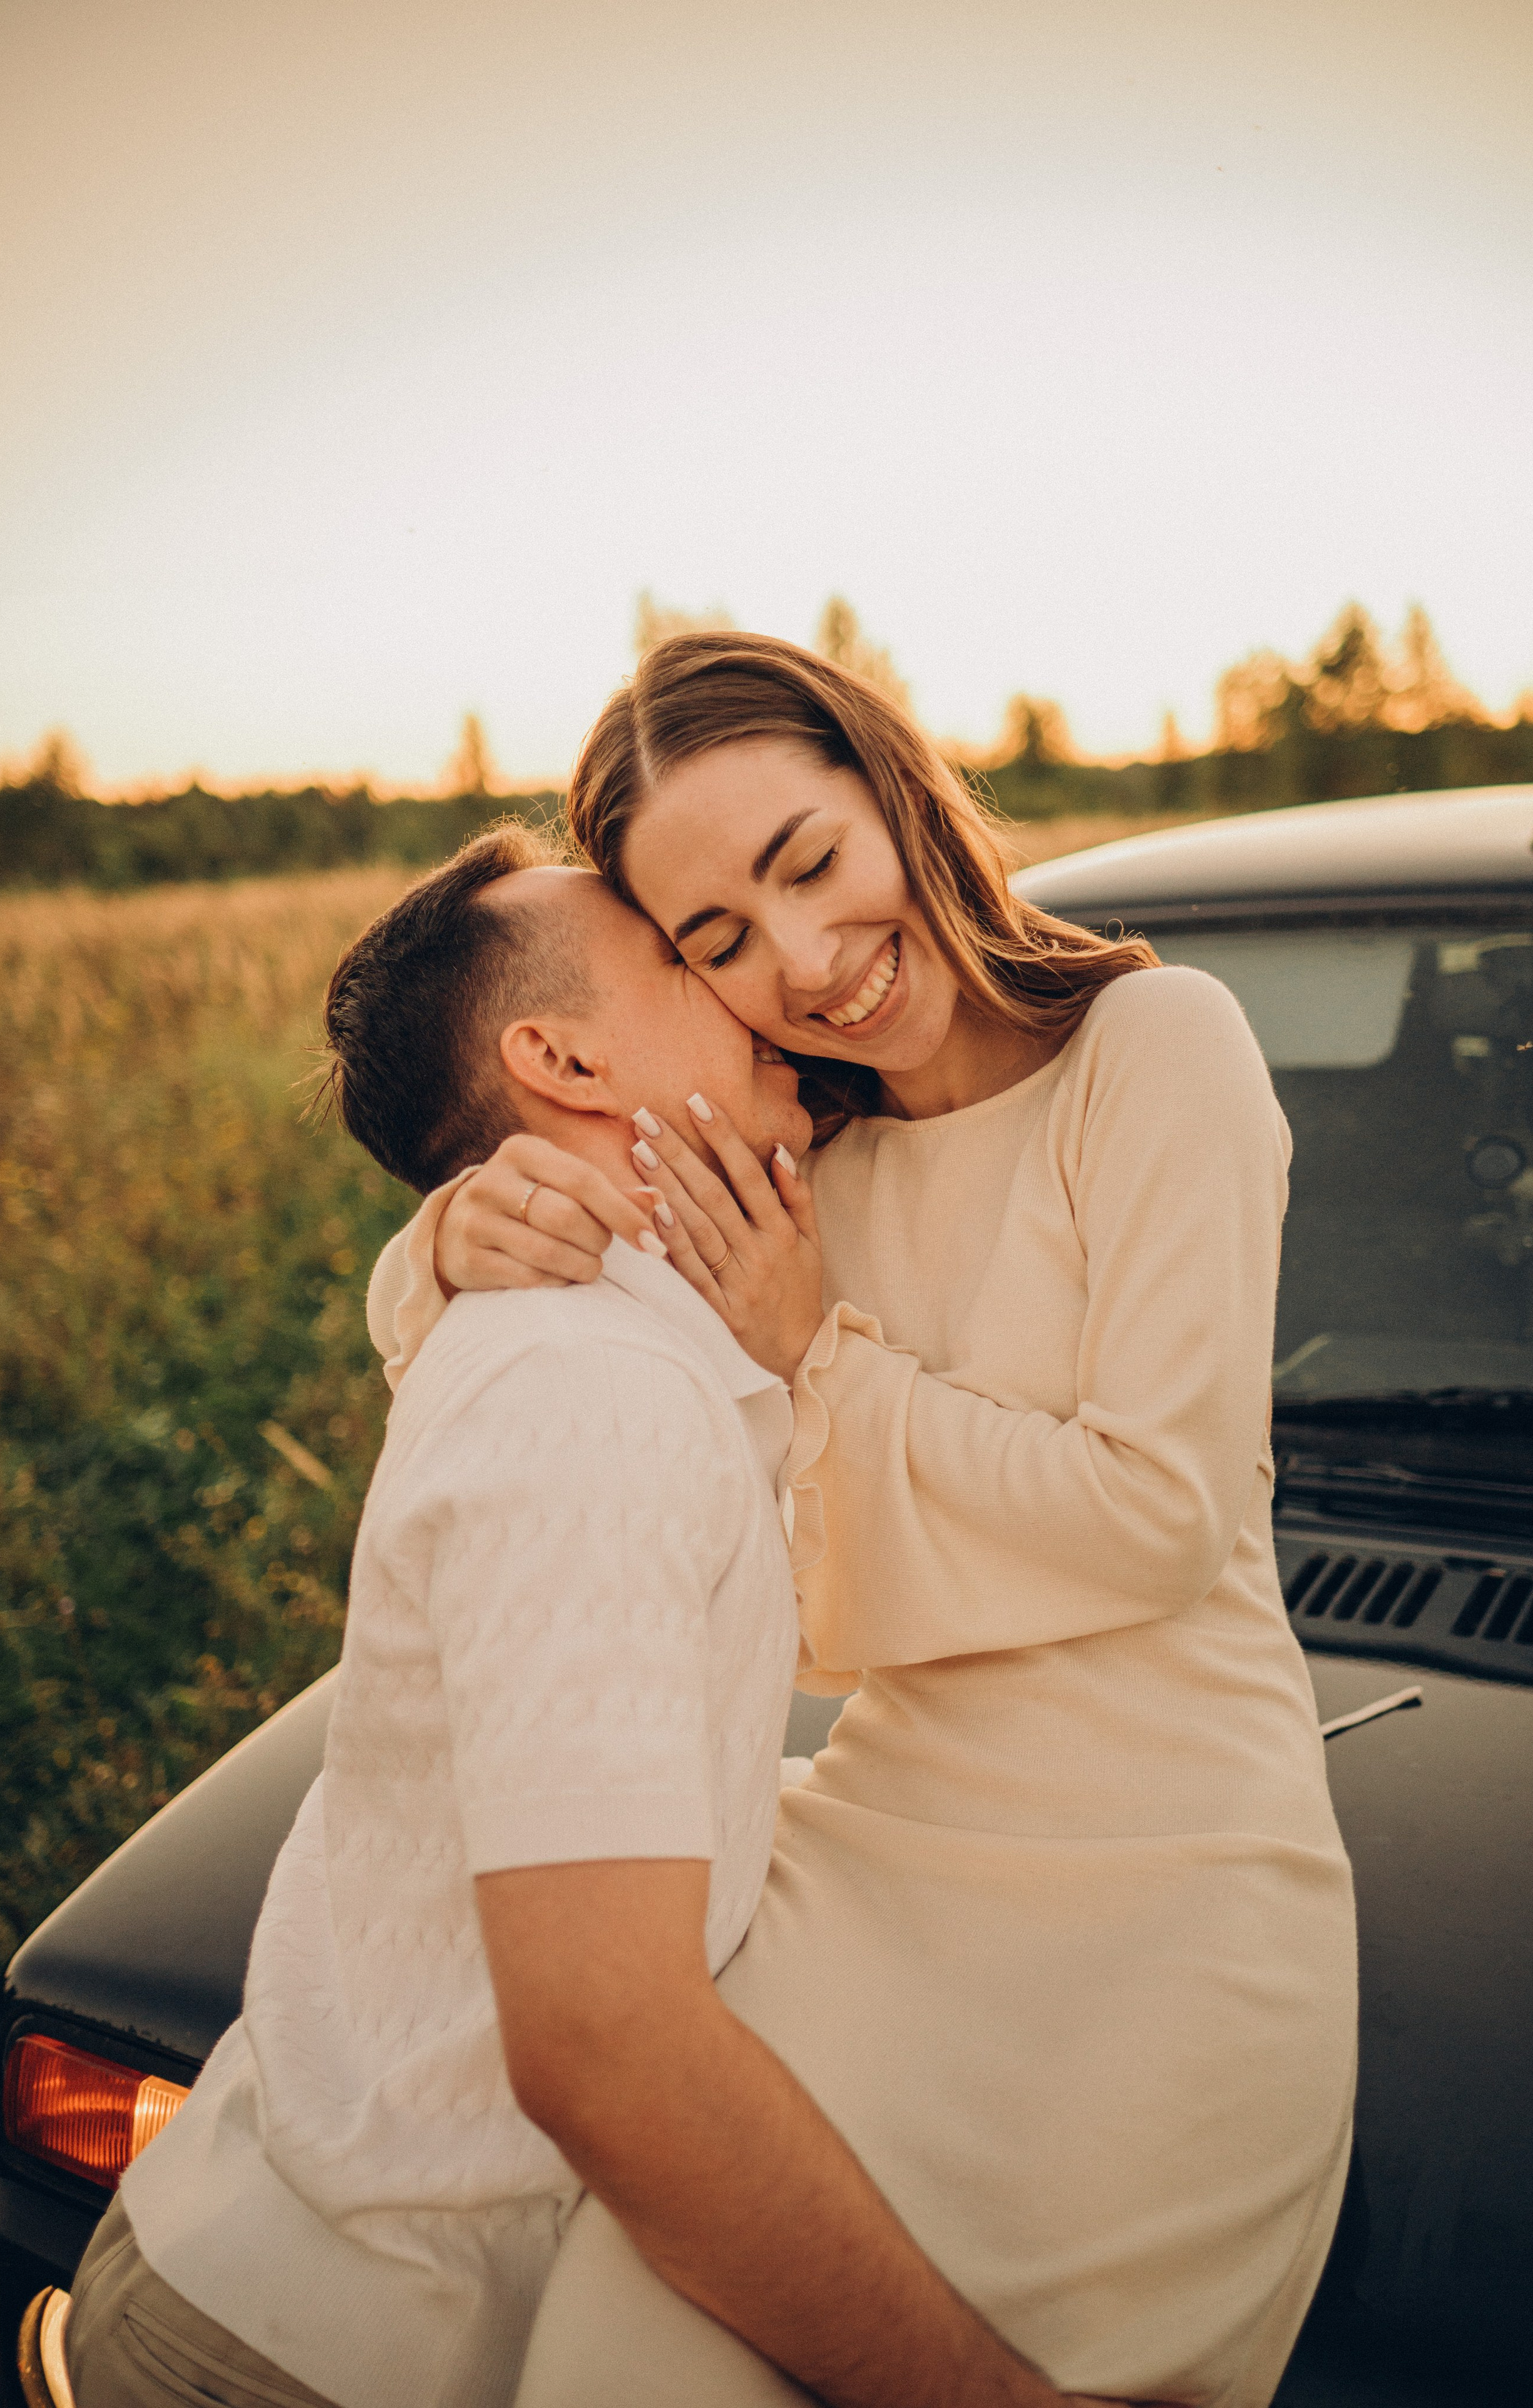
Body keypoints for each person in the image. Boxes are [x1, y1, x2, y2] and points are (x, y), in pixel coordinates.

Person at [370, 634, 1361, 2408]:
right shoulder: (788, 1157)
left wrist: (811, 1355)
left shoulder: (1155, 1049)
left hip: (1170, 1889)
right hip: (873, 1865)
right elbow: (501, 1305)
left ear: (896, 792)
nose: (806, 964)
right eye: (717, 943)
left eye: (810, 864)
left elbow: (1157, 1511)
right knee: (621, 2351)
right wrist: (438, 1243)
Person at [66, 825, 1119, 2408]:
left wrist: (421, 1257)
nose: (759, 983)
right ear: (557, 1054)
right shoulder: (587, 1398)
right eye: (684, 958)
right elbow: (610, 2051)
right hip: (305, 2356)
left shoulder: (636, 1321)